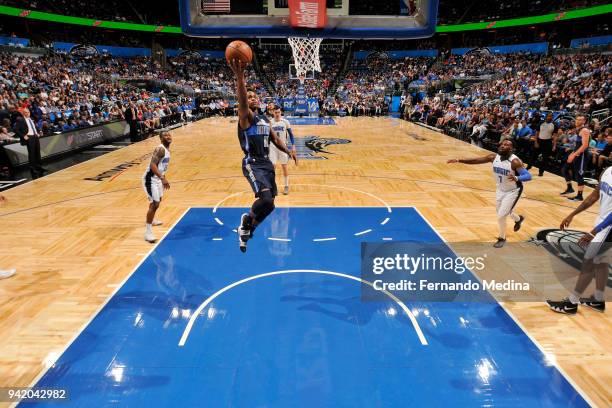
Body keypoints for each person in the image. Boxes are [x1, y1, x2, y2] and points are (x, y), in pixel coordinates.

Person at [228, 57, 298, 253]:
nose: (252, 99)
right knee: (265, 200)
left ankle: (248, 228)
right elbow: (242, 101)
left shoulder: (264, 118)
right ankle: (246, 220)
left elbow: (275, 139)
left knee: (270, 206)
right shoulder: (246, 117)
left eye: (254, 97)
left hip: (266, 163)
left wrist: (289, 151)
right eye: (249, 97)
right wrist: (240, 76)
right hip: (253, 163)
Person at [546, 165, 611, 314]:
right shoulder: (607, 171)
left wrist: (594, 232)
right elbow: (594, 196)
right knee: (601, 262)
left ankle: (571, 303)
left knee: (589, 262)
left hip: (609, 227)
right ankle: (598, 300)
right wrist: (572, 214)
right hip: (601, 222)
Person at [447, 139, 531, 248]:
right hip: (500, 189)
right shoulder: (493, 157)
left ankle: (502, 237)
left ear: (512, 149)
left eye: (506, 145)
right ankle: (519, 219)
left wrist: (517, 177)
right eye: (502, 143)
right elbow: (476, 160)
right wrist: (459, 160)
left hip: (513, 191)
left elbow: (528, 176)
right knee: (503, 211)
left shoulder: (515, 162)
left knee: (501, 216)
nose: (502, 145)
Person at [143, 131, 172, 243]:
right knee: (155, 204)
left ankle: (152, 219)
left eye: (169, 135)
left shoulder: (167, 150)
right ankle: (148, 232)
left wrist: (163, 177)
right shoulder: (160, 149)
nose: (168, 136)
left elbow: (161, 166)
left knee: (158, 201)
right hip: (150, 179)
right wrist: (162, 178)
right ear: (160, 138)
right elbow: (152, 165)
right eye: (165, 135)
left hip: (158, 179)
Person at [561, 116, 591, 200]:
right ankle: (570, 188)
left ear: (584, 121)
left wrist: (574, 154)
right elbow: (578, 145)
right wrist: (572, 153)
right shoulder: (578, 130)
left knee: (579, 175)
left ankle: (580, 196)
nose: (578, 121)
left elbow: (585, 145)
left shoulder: (585, 130)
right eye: (577, 119)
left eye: (580, 120)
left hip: (582, 156)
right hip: (576, 153)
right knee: (565, 169)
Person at [269, 106, 296, 195]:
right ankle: (273, 187)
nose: (277, 114)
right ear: (273, 112)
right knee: (272, 167)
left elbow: (291, 135)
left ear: (280, 113)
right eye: (276, 112)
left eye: (278, 112)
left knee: (284, 167)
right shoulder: (270, 122)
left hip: (283, 147)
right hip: (272, 147)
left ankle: (286, 186)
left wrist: (293, 146)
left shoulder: (285, 122)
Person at [13, 108, 45, 179]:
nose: (28, 113)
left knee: (37, 152)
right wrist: (23, 135)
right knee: (32, 153)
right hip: (29, 138)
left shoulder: (31, 119)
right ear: (23, 113)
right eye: (26, 112)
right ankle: (32, 169)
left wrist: (39, 131)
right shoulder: (21, 120)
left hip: (35, 137)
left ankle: (39, 167)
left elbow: (35, 127)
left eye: (28, 112)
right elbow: (15, 129)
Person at [532, 113, 559, 177]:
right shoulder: (541, 123)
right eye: (549, 116)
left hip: (547, 142)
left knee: (545, 158)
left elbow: (555, 136)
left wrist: (554, 145)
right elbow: (537, 133)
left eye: (551, 116)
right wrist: (536, 142)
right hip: (539, 140)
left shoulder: (554, 125)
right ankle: (529, 166)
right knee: (534, 155)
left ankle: (541, 172)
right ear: (546, 117)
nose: (550, 117)